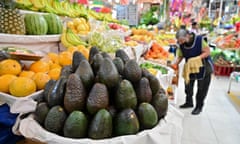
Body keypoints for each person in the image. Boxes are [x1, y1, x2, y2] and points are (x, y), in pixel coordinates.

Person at [172, 29, 214, 115]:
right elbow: (181, 56)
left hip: (204, 66)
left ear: (187, 36)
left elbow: (207, 52)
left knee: (202, 88)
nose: (180, 43)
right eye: (179, 41)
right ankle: (189, 102)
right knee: (188, 85)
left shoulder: (199, 40)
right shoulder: (182, 45)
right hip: (190, 66)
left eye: (182, 40)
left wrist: (197, 58)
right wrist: (175, 64)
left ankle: (199, 106)